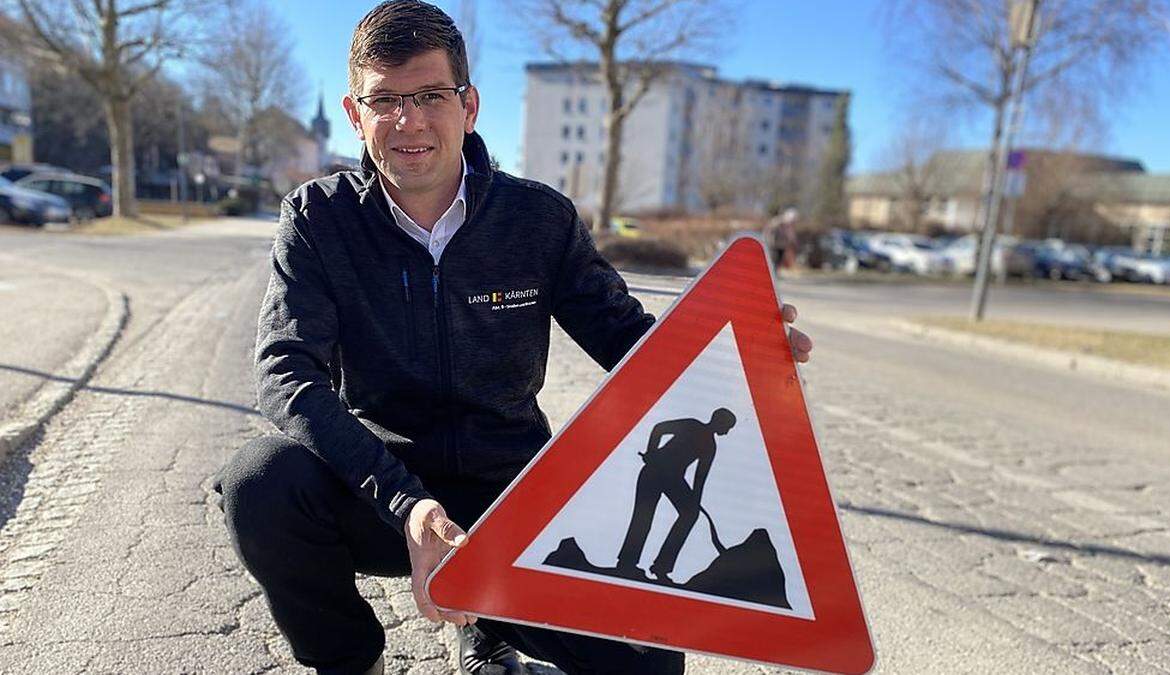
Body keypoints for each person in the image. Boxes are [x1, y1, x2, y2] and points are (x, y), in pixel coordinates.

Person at [216, 2, 814, 674]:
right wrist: (408, 504)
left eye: (430, 95)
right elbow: (286, 371)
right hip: (385, 490)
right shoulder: (319, 219)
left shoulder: (538, 219)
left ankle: (491, 631)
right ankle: (353, 662)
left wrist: (730, 361)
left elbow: (626, 338)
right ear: (355, 116)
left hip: (515, 497)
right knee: (261, 480)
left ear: (468, 105)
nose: (408, 120)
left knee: (648, 660)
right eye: (384, 99)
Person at [616, 409, 737, 583]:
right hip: (654, 471)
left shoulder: (710, 446)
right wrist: (651, 453)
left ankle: (661, 567)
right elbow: (659, 428)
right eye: (727, 426)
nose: (727, 431)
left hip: (673, 479)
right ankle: (627, 563)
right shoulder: (692, 425)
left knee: (690, 514)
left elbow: (700, 478)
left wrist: (695, 502)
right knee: (643, 517)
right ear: (719, 422)